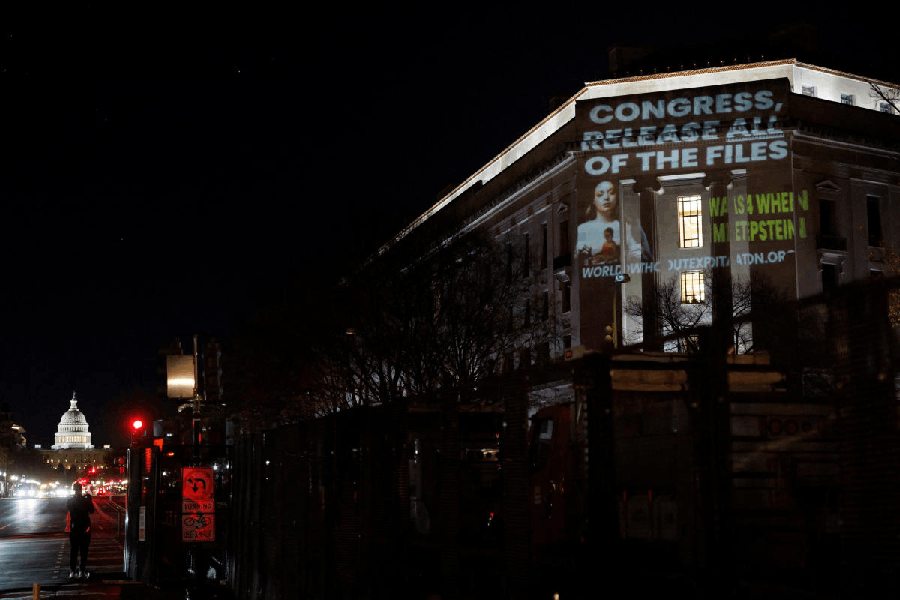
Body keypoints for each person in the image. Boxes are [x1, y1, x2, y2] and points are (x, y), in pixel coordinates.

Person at [576, 180, 652, 263]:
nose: (606, 198)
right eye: (600, 195)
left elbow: (643, 257)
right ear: (593, 200)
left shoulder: (626, 226)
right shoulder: (582, 229)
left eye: (611, 193)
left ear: (616, 197)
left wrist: (636, 253)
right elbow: (576, 260)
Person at [67, 482, 95, 579]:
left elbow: (70, 509)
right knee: (84, 551)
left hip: (74, 527)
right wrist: (88, 499)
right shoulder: (86, 500)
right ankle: (81, 571)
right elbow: (92, 511)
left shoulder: (70, 501)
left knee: (73, 550)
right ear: (81, 489)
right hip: (85, 527)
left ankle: (72, 572)